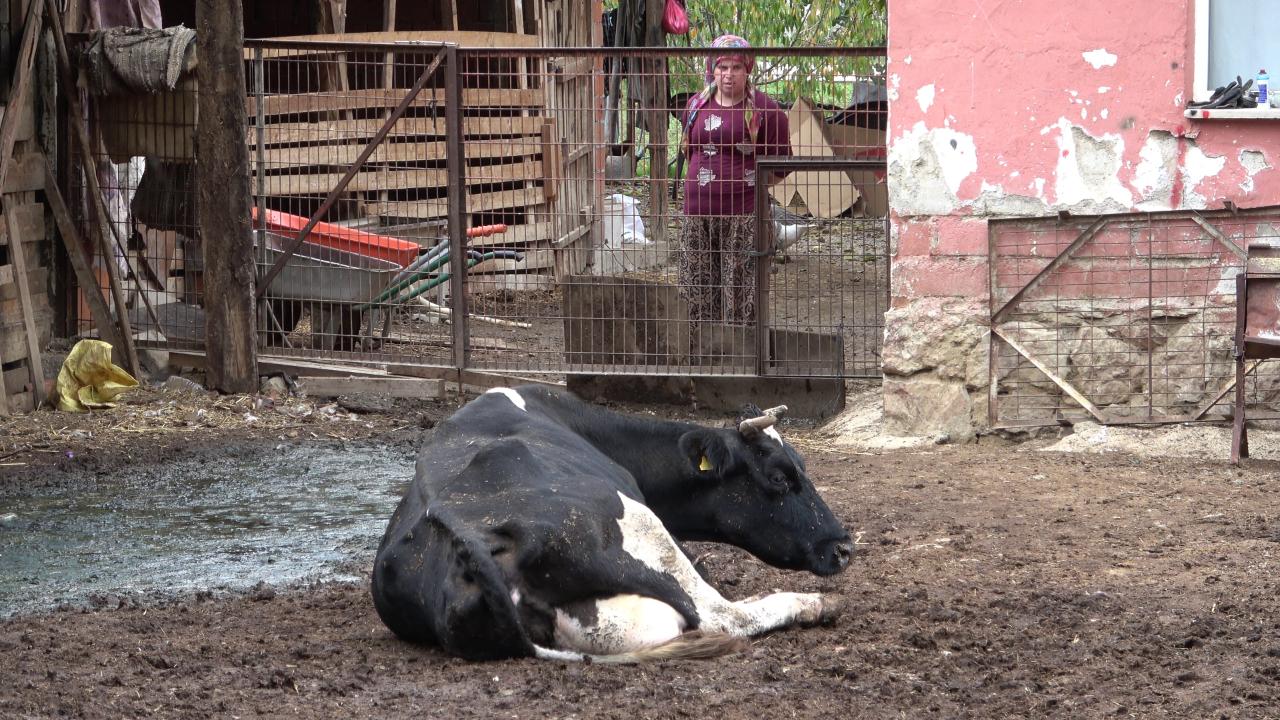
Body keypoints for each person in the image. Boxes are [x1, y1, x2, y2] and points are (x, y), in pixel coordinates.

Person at [677, 34, 791, 327]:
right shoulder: (695, 106)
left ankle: (741, 360)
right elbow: (692, 154)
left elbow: (780, 167)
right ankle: (701, 359)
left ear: (748, 69)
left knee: (741, 291)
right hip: (697, 214)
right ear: (712, 70)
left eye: (736, 68)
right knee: (697, 288)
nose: (728, 75)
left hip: (743, 215)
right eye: (722, 67)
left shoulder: (767, 111)